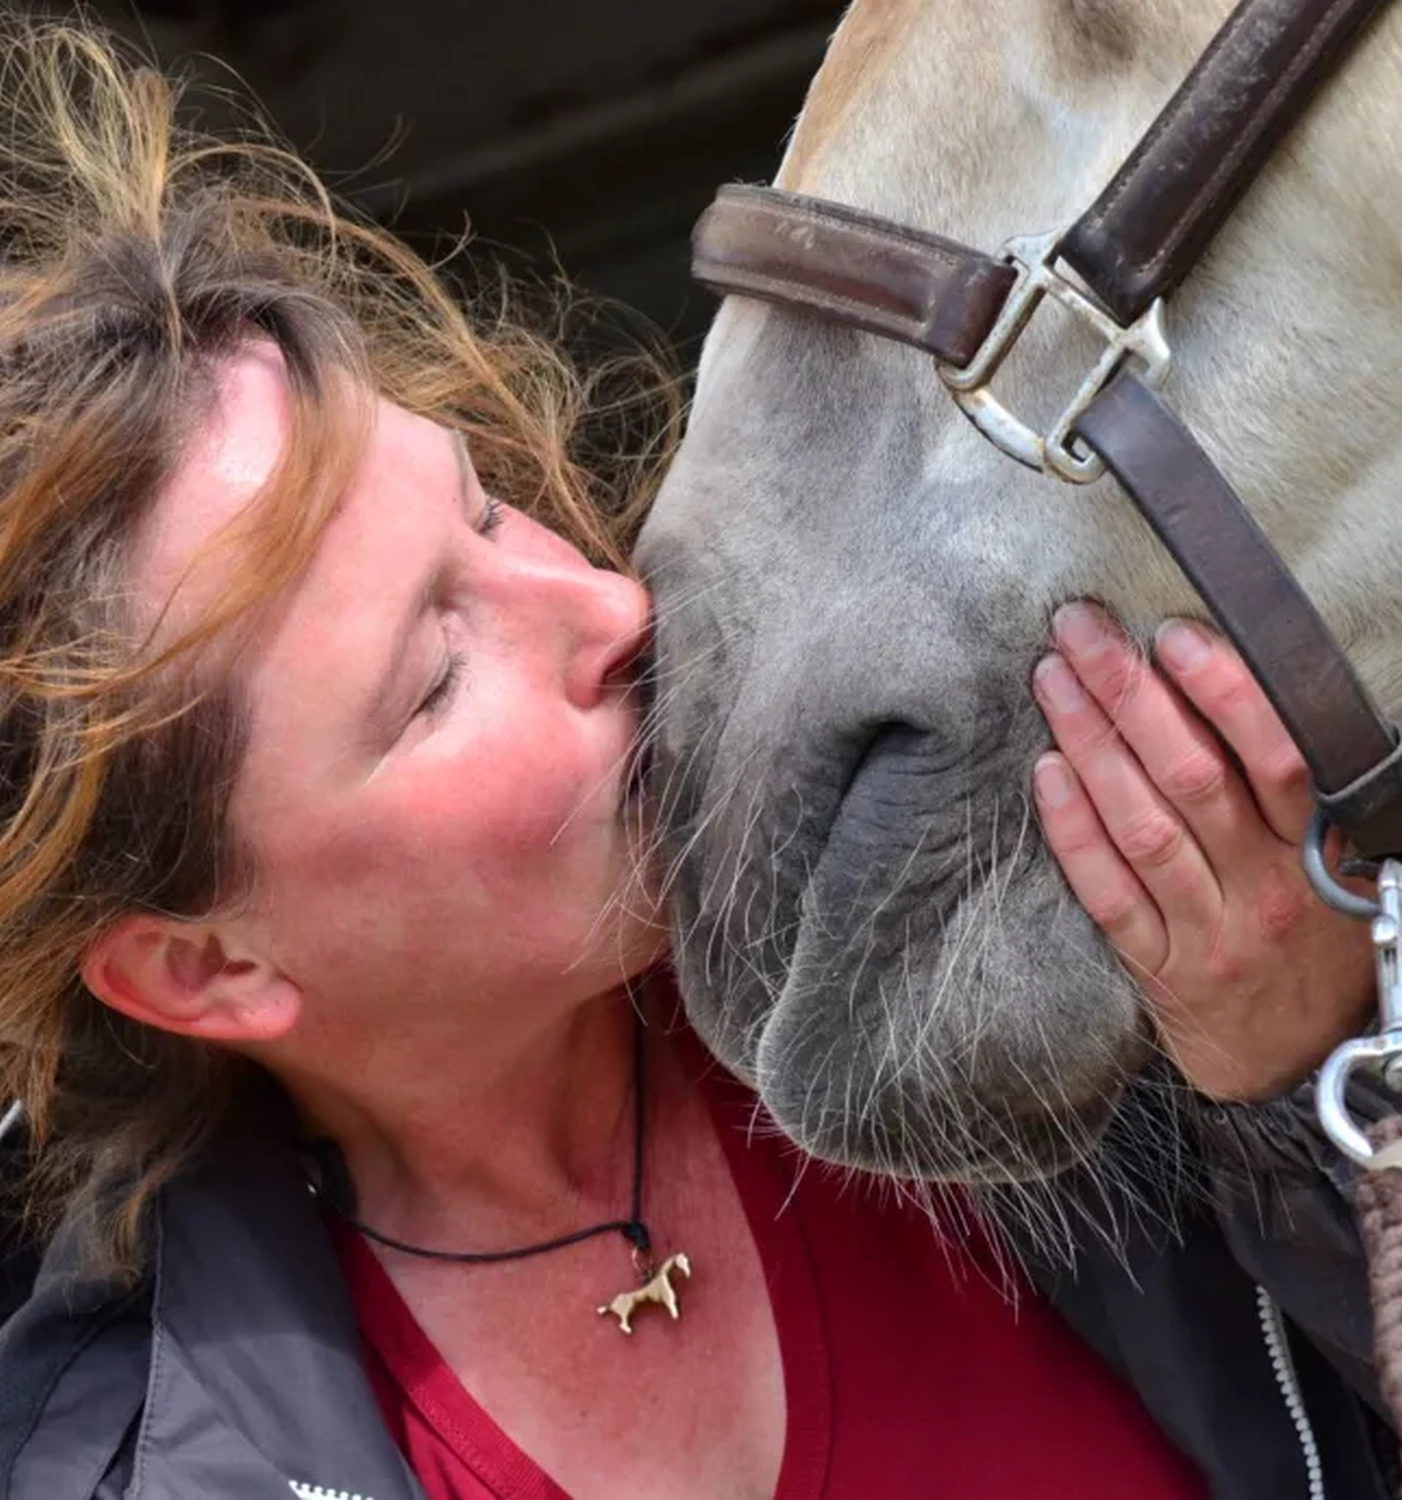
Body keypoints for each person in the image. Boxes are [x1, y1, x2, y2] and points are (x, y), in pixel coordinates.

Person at [0, 19, 1387, 1500]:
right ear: (204, 970)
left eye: (482, 515)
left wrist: (1308, 1082)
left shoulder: (976, 915)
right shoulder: (129, 1467)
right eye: (437, 680)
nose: (607, 605)